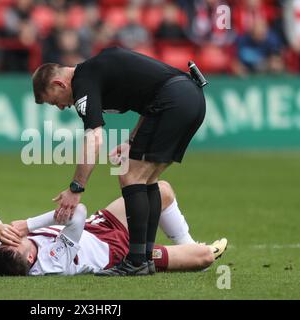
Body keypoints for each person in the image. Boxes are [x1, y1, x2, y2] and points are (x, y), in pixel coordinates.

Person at [31, 46, 207, 275]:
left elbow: (94, 138)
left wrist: (76, 188)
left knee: (129, 175)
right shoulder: (93, 72)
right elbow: (151, 98)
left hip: (174, 100)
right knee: (146, 179)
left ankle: (137, 261)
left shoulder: (83, 82)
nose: (62, 107)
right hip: (189, 98)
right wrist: (132, 140)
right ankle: (144, 257)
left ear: (59, 84)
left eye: (55, 102)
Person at [0, 180, 227, 276]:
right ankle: (188, 248)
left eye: (6, 241)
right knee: (203, 258)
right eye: (14, 241)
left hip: (99, 225)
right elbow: (77, 211)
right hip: (115, 253)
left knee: (161, 191)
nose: (11, 238)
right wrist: (29, 225)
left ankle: (185, 242)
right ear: (31, 258)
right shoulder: (52, 261)